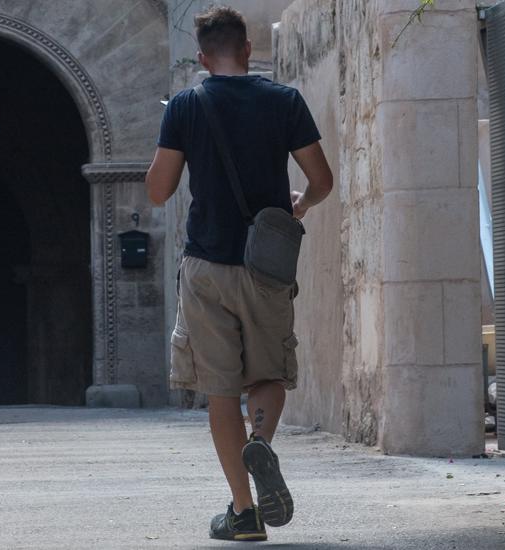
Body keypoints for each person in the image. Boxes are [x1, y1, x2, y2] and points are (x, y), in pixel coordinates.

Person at [144, 5, 335, 543]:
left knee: (221, 389)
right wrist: (298, 204)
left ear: (203, 58)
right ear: (249, 49)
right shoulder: (284, 101)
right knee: (269, 372)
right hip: (266, 265)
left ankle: (244, 514)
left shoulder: (186, 106)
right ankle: (263, 441)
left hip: (206, 265)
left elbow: (158, 191)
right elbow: (320, 180)